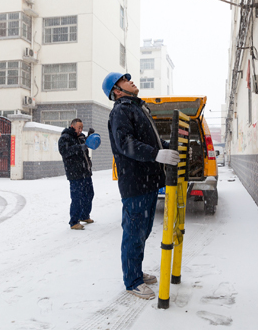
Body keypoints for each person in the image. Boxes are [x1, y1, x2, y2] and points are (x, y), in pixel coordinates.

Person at [103, 72, 180, 300]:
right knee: (134, 232)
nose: (131, 80)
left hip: (147, 182)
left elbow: (150, 140)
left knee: (143, 231)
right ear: (117, 90)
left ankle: (135, 271)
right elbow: (126, 144)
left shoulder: (138, 108)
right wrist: (157, 154)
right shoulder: (121, 110)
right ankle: (132, 280)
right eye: (125, 80)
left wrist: (166, 147)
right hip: (134, 183)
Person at [58, 118, 95, 230]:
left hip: (85, 171)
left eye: (82, 128)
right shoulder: (65, 138)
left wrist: (89, 137)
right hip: (74, 173)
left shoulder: (81, 137)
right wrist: (80, 147)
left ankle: (84, 215)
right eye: (79, 127)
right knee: (77, 197)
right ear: (72, 126)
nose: (80, 130)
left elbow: (85, 148)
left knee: (89, 194)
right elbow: (65, 152)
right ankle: (74, 221)